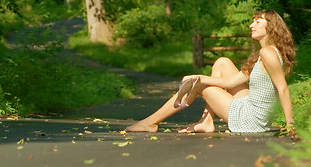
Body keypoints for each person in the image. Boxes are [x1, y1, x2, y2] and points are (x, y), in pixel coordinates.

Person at [125, 10, 296, 133]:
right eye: (252, 21)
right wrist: (198, 76)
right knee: (222, 63)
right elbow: (229, 83)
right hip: (251, 107)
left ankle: (150, 122)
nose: (251, 25)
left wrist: (290, 124)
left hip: (252, 120)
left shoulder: (268, 53)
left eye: (258, 22)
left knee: (200, 86)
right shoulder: (265, 52)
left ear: (271, 27)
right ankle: (206, 121)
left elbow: (282, 88)